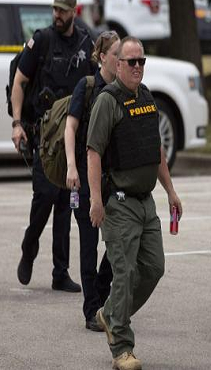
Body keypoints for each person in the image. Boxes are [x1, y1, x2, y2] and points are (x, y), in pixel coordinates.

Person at [87, 37, 182, 370]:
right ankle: (122, 349)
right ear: (117, 65)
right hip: (119, 203)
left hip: (147, 203)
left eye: (142, 61)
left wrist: (170, 190)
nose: (138, 67)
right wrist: (96, 200)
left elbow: (154, 149)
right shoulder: (107, 101)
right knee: (124, 273)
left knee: (154, 268)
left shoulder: (147, 99)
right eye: (131, 62)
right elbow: (94, 152)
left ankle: (111, 312)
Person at [11, 0, 95, 292]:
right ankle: (30, 245)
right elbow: (20, 82)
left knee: (67, 202)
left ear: (74, 11)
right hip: (45, 134)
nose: (57, 15)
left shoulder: (87, 42)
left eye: (62, 10)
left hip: (73, 135)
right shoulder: (42, 40)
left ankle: (60, 271)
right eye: (54, 10)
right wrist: (17, 123)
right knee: (45, 196)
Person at [64, 31, 119, 331]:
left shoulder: (125, 90)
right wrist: (72, 166)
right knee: (89, 244)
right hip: (85, 180)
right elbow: (70, 129)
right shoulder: (86, 87)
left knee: (118, 242)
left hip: (114, 180)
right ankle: (91, 310)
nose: (122, 59)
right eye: (116, 53)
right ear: (102, 57)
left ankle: (102, 291)